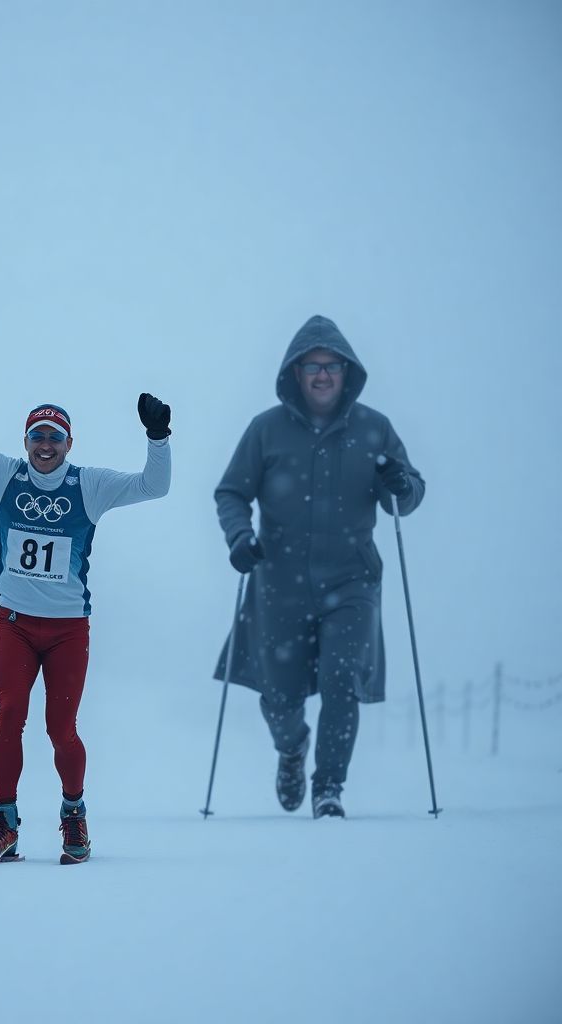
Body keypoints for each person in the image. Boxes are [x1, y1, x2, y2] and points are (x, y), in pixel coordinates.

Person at [0, 340, 171, 864]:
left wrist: (158, 436)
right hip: (14, 623)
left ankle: (73, 816)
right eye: (37, 436)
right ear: (26, 440)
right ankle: (7, 825)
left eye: (54, 438)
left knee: (61, 730)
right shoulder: (2, 476)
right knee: (9, 713)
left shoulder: (90, 486)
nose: (45, 446)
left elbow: (156, 486)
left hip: (67, 630)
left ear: (68, 444)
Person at [213, 315, 424, 818]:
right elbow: (231, 492)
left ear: (347, 372)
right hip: (277, 582)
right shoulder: (266, 430)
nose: (323, 374)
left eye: (332, 365)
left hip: (352, 580)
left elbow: (409, 496)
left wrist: (401, 483)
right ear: (296, 371)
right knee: (278, 696)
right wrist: (240, 537)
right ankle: (292, 748)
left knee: (341, 679)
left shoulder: (375, 429)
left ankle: (329, 788)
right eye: (313, 365)